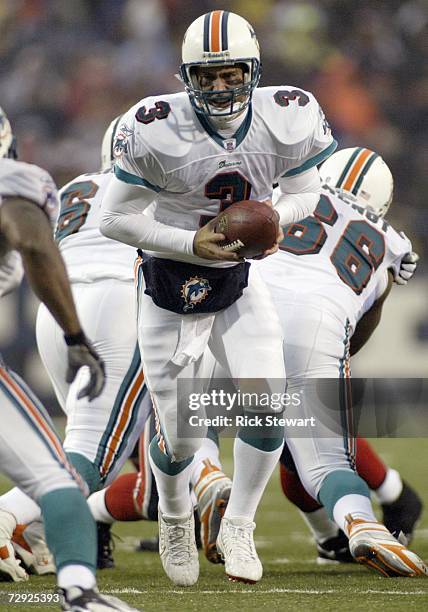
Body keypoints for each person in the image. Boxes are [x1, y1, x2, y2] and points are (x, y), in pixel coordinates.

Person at [100, 10, 336, 586]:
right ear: (187, 78)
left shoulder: (287, 116)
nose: (221, 87)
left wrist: (272, 220)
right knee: (180, 436)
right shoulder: (154, 126)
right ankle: (177, 514)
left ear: (253, 71)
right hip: (167, 281)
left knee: (268, 407)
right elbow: (112, 218)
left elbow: (311, 192)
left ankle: (239, 523)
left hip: (236, 284)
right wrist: (191, 241)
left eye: (231, 74)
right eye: (207, 77)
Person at [256, 147, 426, 576]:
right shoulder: (394, 243)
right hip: (319, 331)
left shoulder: (283, 190)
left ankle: (180, 505)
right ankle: (359, 524)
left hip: (250, 316)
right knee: (320, 461)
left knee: (190, 420)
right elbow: (362, 327)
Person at [0, 107, 138, 611]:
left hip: (69, 308)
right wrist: (75, 332)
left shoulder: (79, 184)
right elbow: (34, 241)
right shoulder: (17, 179)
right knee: (65, 474)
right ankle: (80, 593)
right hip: (113, 303)